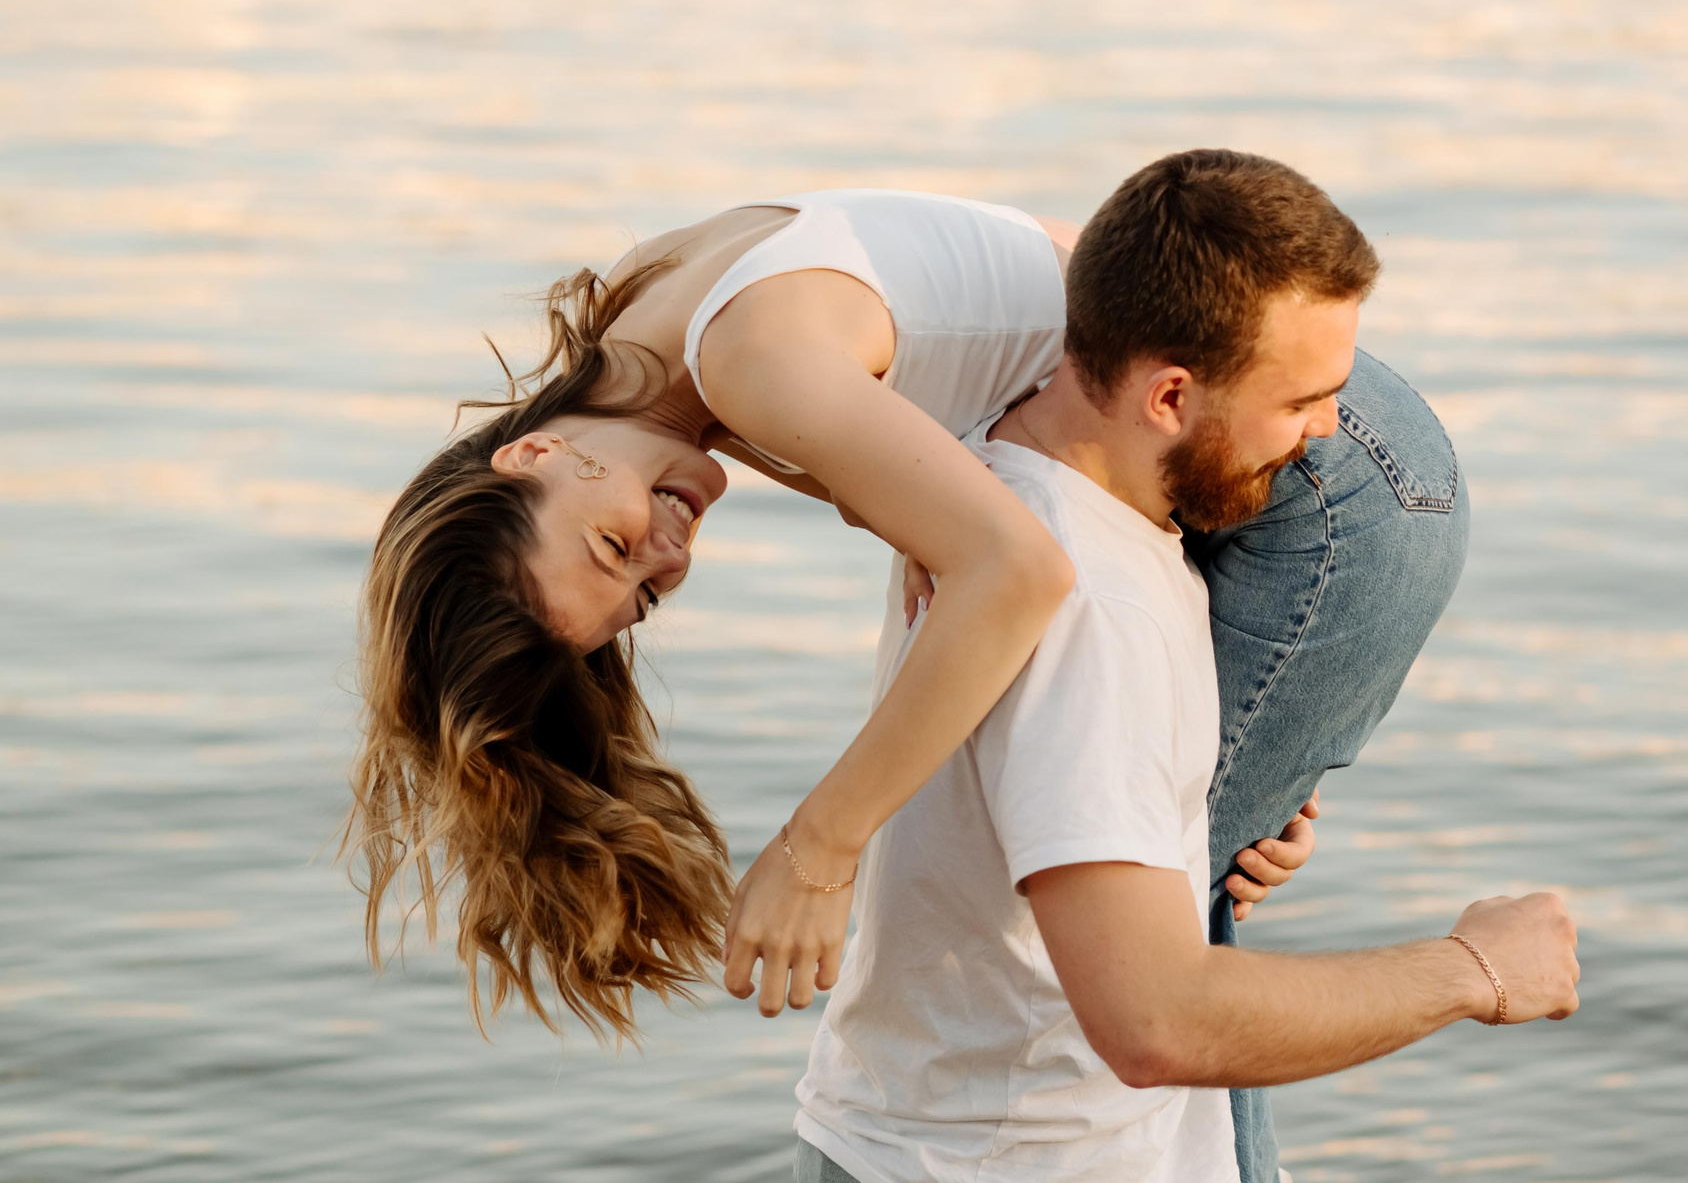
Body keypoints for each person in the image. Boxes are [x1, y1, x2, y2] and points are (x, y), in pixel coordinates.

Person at [344, 150, 1469, 1181]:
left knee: (1159, 962)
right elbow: (938, 503)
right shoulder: (658, 327)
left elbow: (1014, 568)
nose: (669, 549)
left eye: (610, 541)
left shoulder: (750, 364)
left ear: (532, 451)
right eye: (645, 590)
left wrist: (818, 847)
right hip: (1287, 409)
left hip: (1311, 449)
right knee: (1162, 879)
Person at [792, 157, 1578, 1183]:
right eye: (1303, 398)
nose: (1328, 435)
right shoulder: (1094, 611)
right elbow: (1154, 1018)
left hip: (917, 1133)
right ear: (1168, 393)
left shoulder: (989, 477)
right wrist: (1476, 968)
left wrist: (1183, 819)